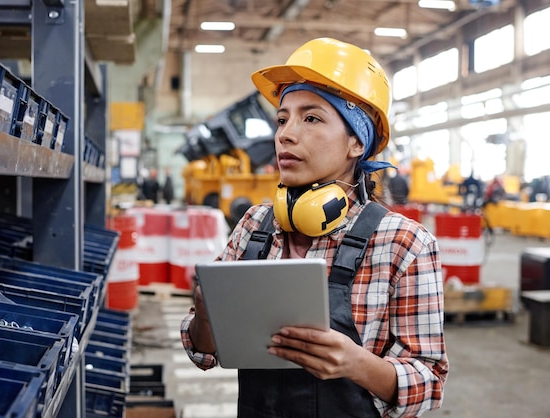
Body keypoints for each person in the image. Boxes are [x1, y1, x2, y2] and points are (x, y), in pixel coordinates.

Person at [181, 38, 448, 417]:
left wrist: (359, 365)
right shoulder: (255, 225)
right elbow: (203, 352)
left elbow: (430, 382)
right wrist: (205, 317)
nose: (286, 134)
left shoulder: (404, 243)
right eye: (282, 118)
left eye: (311, 118)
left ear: (357, 141)